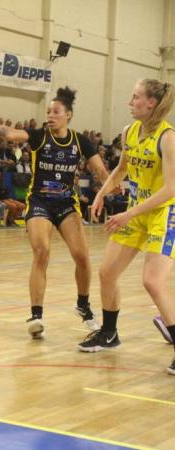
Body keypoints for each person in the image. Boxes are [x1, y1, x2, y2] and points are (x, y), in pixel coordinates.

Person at [0, 86, 109, 339]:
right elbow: (11, 133)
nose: (51, 115)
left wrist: (111, 183)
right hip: (40, 202)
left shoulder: (80, 141)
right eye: (48, 111)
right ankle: (36, 315)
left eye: (56, 111)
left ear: (68, 115)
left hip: (67, 203)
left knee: (82, 257)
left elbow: (100, 170)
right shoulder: (39, 136)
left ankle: (83, 305)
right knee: (41, 251)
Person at [77, 79, 175, 375]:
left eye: (135, 97)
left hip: (165, 213)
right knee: (107, 272)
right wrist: (100, 193)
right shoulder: (129, 132)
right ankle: (109, 333)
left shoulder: (168, 138)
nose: (129, 102)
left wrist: (129, 213)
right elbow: (121, 169)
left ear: (151, 104)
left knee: (152, 282)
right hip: (137, 211)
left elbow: (171, 189)